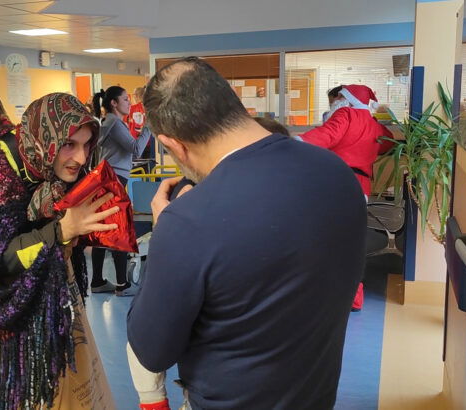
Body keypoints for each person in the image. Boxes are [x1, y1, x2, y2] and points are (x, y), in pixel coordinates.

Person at [127, 57, 366, 409]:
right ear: (233, 104)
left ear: (173, 145)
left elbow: (152, 349)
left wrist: (164, 234)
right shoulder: (337, 173)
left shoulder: (188, 221)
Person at [0, 93, 116, 409]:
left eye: (87, 144)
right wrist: (62, 230)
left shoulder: (40, 159)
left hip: (44, 299)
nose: (79, 157)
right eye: (69, 145)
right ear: (45, 138)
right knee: (14, 392)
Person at [298, 84, 393, 311]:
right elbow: (388, 143)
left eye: (340, 96)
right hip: (361, 187)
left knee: (326, 239)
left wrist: (288, 142)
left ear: (346, 99)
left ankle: (325, 292)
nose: (335, 100)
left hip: (337, 182)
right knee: (350, 241)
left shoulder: (346, 114)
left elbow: (325, 137)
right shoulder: (373, 124)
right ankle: (354, 297)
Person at [90, 86, 151, 296]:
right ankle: (123, 285)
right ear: (114, 103)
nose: (129, 102)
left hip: (109, 178)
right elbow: (135, 149)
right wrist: (148, 127)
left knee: (104, 230)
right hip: (113, 179)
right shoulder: (114, 123)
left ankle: (97, 281)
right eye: (125, 99)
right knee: (118, 229)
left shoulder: (110, 123)